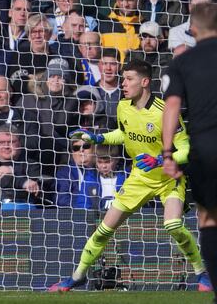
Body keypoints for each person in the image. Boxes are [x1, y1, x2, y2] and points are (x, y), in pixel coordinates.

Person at [50, 59, 211, 292]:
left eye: (128, 79)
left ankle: (201, 274)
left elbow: (186, 149)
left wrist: (161, 159)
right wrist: (98, 138)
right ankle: (77, 276)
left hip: (168, 178)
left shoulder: (165, 112)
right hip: (138, 179)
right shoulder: (123, 106)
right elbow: (123, 134)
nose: (123, 83)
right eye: (123, 78)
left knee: (174, 225)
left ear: (144, 82)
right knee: (104, 229)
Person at [162, 3, 217, 298]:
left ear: (192, 30)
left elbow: (171, 107)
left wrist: (167, 153)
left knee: (208, 218)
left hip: (206, 148)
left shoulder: (182, 62)